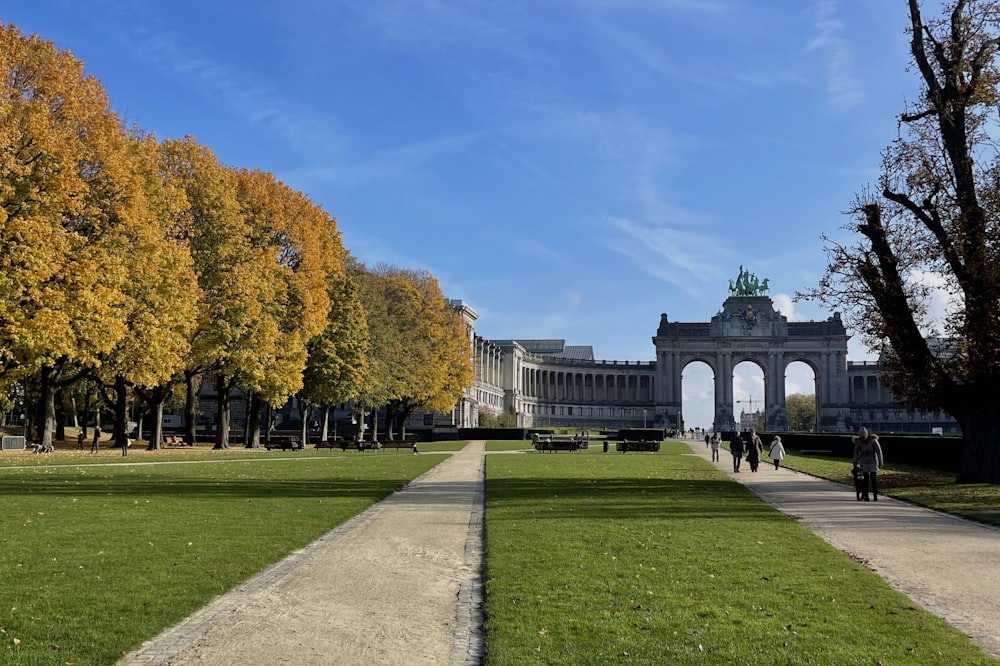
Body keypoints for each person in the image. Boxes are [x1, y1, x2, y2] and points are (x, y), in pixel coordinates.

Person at [853, 426, 884, 501]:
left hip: (873, 461)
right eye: (861, 437)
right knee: (865, 480)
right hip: (864, 461)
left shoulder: (873, 440)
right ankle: (866, 496)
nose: (863, 439)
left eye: (864, 437)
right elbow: (856, 452)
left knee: (873, 479)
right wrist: (855, 462)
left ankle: (875, 496)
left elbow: (879, 451)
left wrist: (881, 462)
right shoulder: (858, 441)